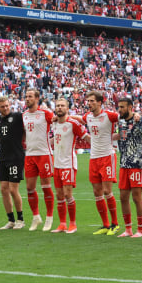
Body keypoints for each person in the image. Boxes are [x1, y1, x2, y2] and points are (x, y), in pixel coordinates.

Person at [81, 91, 120, 236]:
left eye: (92, 101)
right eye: (88, 101)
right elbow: (80, 119)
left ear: (99, 102)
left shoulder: (110, 115)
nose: (89, 103)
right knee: (97, 192)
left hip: (107, 156)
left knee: (107, 191)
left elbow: (125, 118)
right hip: (94, 158)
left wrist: (120, 134)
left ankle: (115, 224)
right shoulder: (88, 116)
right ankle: (105, 224)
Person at [113, 98, 142, 238]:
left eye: (122, 107)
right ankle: (128, 229)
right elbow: (121, 136)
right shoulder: (120, 121)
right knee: (123, 197)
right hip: (124, 163)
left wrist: (141, 120)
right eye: (119, 107)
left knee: (136, 197)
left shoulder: (139, 120)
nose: (119, 110)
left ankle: (140, 230)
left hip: (137, 163)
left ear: (130, 107)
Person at [51, 98, 89, 233]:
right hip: (57, 164)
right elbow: (55, 140)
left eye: (62, 106)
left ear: (67, 109)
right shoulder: (54, 124)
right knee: (59, 195)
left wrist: (101, 143)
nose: (59, 108)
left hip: (69, 163)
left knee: (68, 194)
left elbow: (86, 137)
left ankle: (73, 224)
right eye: (57, 106)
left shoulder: (73, 124)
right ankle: (62, 224)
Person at [22, 88, 55, 231]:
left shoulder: (45, 113)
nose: (27, 99)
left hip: (44, 154)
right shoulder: (23, 115)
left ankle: (49, 217)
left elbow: (58, 121)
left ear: (36, 98)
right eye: (26, 96)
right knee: (30, 188)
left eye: (30, 96)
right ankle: (36, 217)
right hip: (29, 155)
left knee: (46, 187)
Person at [0, 96, 26, 230]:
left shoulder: (18, 116)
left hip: (16, 157)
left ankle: (20, 219)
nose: (6, 108)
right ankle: (11, 220)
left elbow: (25, 130)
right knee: (3, 189)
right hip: (3, 158)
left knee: (13, 189)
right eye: (3, 106)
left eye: (7, 105)